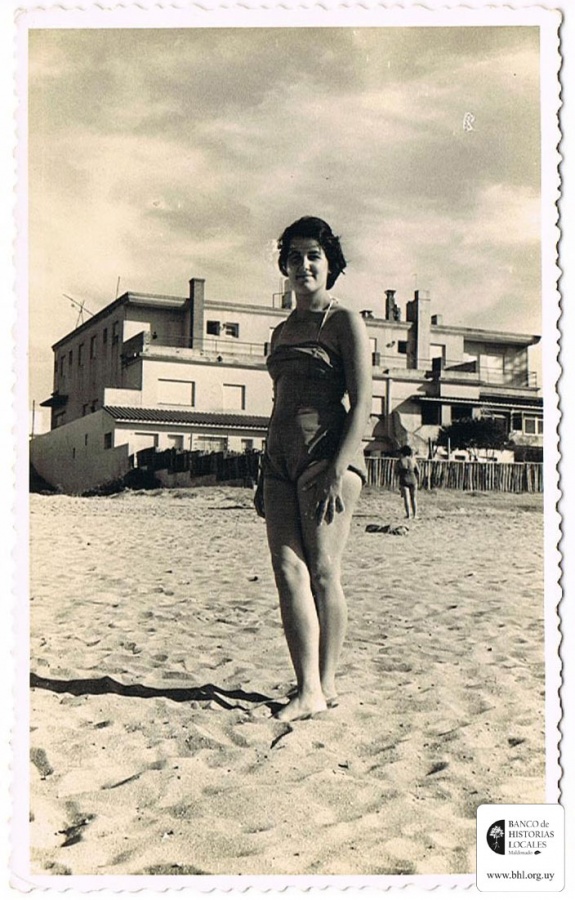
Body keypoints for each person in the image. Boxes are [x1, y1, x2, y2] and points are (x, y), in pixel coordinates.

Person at [254, 216, 372, 722]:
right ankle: (309, 687)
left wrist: (336, 470)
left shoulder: (344, 321)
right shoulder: (280, 331)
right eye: (295, 256)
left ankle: (322, 685)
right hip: (278, 462)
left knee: (322, 571)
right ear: (284, 264)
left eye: (313, 256)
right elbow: (279, 401)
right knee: (286, 570)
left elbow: (363, 404)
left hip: (327, 458)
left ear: (329, 265)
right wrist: (263, 469)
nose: (303, 265)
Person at [395, 445, 419, 519]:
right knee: (413, 498)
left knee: (406, 498)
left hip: (404, 480)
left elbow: (396, 472)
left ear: (402, 453)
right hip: (413, 479)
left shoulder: (399, 461)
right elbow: (418, 471)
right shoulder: (413, 460)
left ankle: (408, 515)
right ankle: (415, 515)